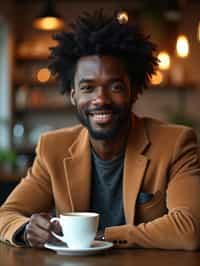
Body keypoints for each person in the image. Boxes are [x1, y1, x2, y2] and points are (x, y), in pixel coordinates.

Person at [0, 10, 200, 250]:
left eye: (114, 87)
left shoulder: (176, 143)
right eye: (88, 88)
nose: (100, 99)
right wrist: (26, 230)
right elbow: (6, 215)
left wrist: (98, 237)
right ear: (74, 96)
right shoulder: (53, 147)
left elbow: (189, 229)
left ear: (133, 90)